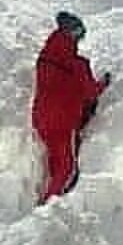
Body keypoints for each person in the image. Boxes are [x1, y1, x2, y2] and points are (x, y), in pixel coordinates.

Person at [31, 11, 111, 204]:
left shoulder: (44, 59)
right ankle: (48, 207)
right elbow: (90, 92)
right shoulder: (78, 65)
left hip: (40, 119)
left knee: (54, 161)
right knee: (67, 168)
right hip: (64, 123)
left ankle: (46, 189)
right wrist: (104, 83)